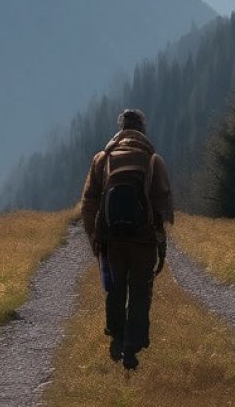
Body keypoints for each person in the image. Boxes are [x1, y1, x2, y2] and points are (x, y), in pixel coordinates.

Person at [80, 108, 174, 370]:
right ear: (142, 129)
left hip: (111, 240)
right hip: (142, 240)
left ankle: (117, 338)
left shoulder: (102, 159)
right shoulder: (153, 160)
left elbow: (88, 203)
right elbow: (163, 203)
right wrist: (159, 237)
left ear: (120, 129)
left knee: (115, 289)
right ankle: (133, 347)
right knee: (141, 292)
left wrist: (95, 238)